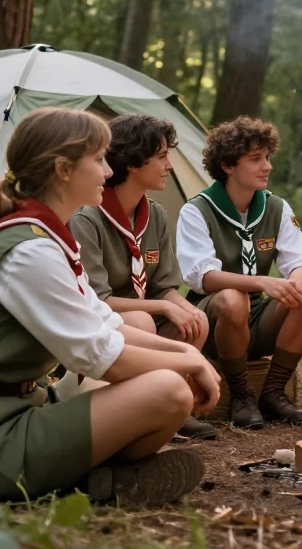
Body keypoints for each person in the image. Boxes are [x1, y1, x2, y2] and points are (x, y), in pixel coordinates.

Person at [0, 108, 220, 506]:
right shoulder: (28, 250)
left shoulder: (44, 238)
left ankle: (97, 477)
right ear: (63, 170)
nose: (109, 172)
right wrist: (189, 365)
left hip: (15, 411)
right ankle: (91, 483)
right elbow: (99, 356)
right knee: (170, 390)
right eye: (99, 160)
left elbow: (107, 324)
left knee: (155, 377)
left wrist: (186, 353)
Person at [69, 114, 216, 440]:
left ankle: (179, 404)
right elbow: (99, 302)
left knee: (197, 318)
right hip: (103, 326)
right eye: (162, 157)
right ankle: (134, 404)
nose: (170, 166)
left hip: (142, 315)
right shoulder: (88, 218)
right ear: (133, 163)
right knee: (141, 321)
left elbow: (164, 286)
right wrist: (163, 308)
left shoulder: (157, 215)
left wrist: (182, 307)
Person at [176, 116, 302, 429]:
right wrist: (260, 282)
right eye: (255, 159)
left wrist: (294, 281)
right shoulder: (197, 210)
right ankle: (241, 396)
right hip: (214, 324)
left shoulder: (275, 207)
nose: (267, 166)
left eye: (267, 157)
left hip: (260, 322)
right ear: (228, 165)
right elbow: (201, 276)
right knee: (232, 297)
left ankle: (272, 392)